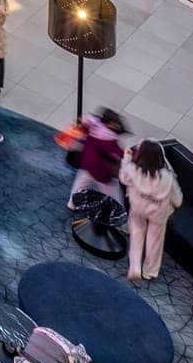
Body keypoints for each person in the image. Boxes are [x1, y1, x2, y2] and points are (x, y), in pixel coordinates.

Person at [122, 138, 182, 282]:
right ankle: (150, 271)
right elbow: (178, 201)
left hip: (137, 207)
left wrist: (126, 159)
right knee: (155, 241)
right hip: (158, 213)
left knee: (136, 235)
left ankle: (135, 268)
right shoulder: (167, 178)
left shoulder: (133, 169)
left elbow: (124, 178)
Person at [68, 108, 125, 206]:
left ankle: (72, 203)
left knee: (81, 183)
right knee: (110, 189)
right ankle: (118, 207)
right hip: (99, 167)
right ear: (109, 124)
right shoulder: (107, 137)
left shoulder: (93, 124)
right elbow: (118, 154)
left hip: (86, 160)